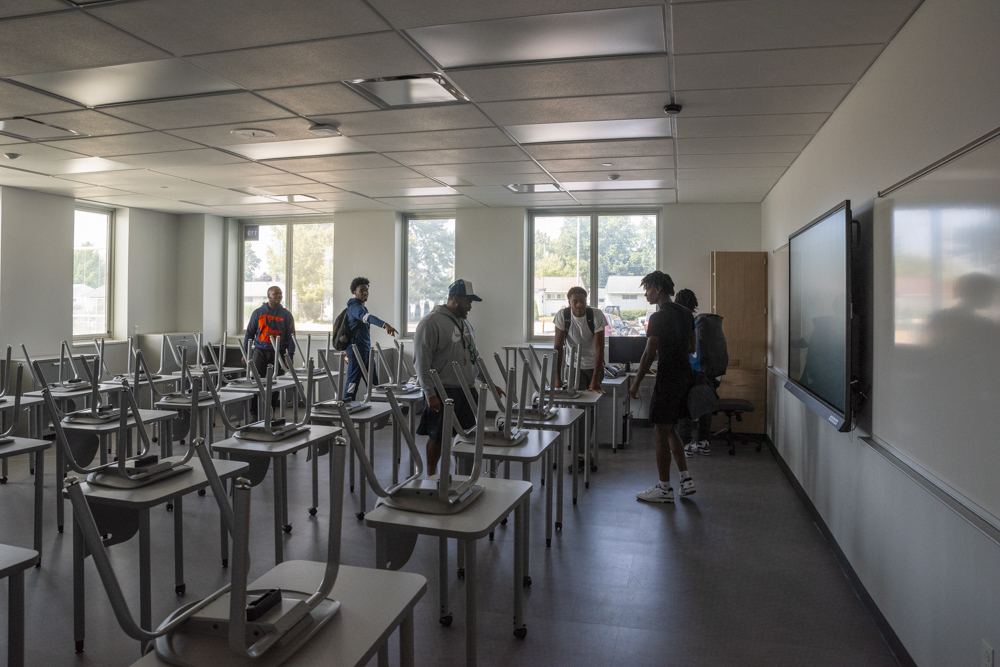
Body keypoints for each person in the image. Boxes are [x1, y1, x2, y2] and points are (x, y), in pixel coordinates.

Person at [628, 271, 696, 503]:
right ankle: (686, 481)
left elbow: (648, 353)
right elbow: (692, 346)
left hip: (668, 377)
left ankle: (664, 488)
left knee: (659, 431)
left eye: (647, 288)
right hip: (685, 375)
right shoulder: (686, 313)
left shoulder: (657, 317)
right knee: (670, 428)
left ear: (657, 289)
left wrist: (636, 383)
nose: (645, 293)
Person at [413, 279, 483, 476]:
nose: (470, 306)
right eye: (468, 301)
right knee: (438, 437)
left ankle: (464, 477)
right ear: (455, 299)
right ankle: (431, 474)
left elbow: (474, 356)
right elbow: (421, 360)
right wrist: (429, 393)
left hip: (466, 390)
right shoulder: (430, 322)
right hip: (443, 390)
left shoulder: (466, 324)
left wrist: (488, 383)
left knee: (468, 435)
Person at [674, 289, 727, 457]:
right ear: (694, 303)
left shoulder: (684, 323)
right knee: (705, 407)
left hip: (689, 371)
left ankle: (685, 443)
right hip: (707, 372)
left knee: (684, 406)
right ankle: (703, 442)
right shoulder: (703, 323)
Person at [344, 277, 399, 400]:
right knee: (352, 383)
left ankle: (378, 412)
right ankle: (345, 410)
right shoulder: (354, 307)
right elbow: (367, 317)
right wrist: (384, 324)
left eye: (367, 290)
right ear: (354, 292)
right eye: (362, 290)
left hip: (366, 351)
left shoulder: (361, 307)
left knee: (374, 384)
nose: (365, 292)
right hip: (356, 352)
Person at [243, 285, 295, 413]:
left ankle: (270, 412)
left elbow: (291, 337)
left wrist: (290, 356)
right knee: (256, 381)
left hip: (278, 352)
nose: (279, 296)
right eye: (275, 294)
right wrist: (245, 353)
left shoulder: (286, 315)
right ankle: (254, 412)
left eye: (280, 294)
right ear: (268, 295)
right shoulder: (258, 313)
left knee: (276, 383)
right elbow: (249, 334)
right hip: (260, 351)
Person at [553, 286, 607, 392]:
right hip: (573, 366)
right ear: (569, 302)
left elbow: (600, 347)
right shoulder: (563, 316)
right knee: (577, 403)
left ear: (586, 301)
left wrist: (595, 379)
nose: (579, 305)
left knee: (592, 401)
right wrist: (557, 377)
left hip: (593, 366)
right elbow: (558, 347)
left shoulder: (596, 315)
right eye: (575, 302)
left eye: (582, 301)